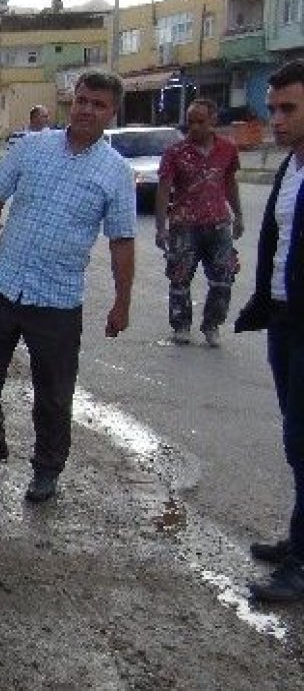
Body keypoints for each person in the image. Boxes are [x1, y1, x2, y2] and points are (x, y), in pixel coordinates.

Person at [0, 70, 136, 503]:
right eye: (82, 100)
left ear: (112, 112)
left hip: (58, 302)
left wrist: (122, 302)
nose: (86, 109)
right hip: (3, 287)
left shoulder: (116, 173)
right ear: (71, 103)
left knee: (54, 396)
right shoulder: (33, 147)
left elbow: (121, 240)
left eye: (98, 104)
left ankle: (46, 470)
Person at [236, 60, 304, 602]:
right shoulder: (290, 169)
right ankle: (299, 540)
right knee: (295, 438)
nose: (276, 120)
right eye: (274, 108)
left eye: (289, 109)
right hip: (283, 318)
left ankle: (301, 563)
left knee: (303, 441)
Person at [154, 99, 242, 347]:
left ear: (213, 120)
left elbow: (230, 184)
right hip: (184, 226)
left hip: (218, 224)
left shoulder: (227, 149)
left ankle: (212, 324)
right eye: (190, 121)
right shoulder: (175, 152)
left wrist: (239, 215)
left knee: (223, 278)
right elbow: (164, 189)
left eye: (200, 121)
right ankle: (181, 325)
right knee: (179, 278)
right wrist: (161, 228)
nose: (194, 127)